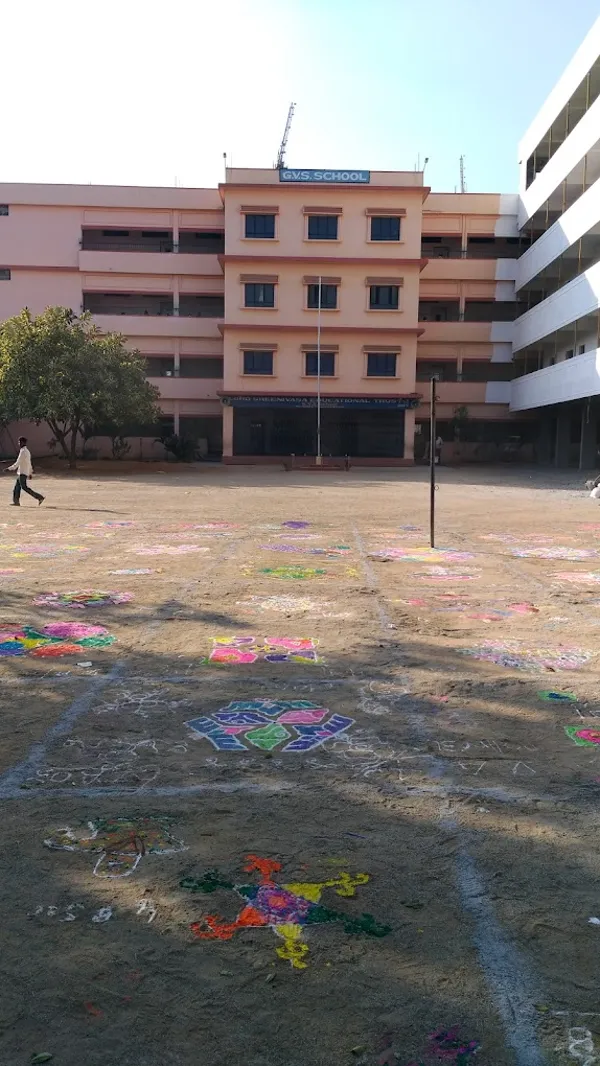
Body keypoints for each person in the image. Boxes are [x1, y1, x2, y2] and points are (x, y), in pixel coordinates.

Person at [6, 437, 44, 506]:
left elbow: (18, 463)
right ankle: (16, 502)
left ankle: (39, 497)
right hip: (23, 472)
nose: (19, 444)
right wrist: (30, 472)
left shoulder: (23, 452)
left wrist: (9, 468)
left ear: (23, 442)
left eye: (20, 442)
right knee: (17, 488)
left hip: (22, 473)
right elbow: (29, 463)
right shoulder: (27, 451)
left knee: (24, 487)